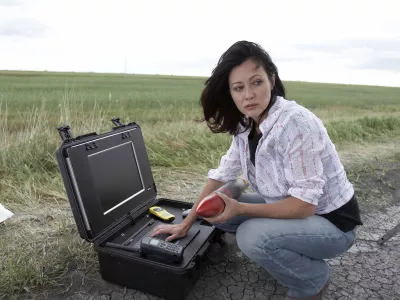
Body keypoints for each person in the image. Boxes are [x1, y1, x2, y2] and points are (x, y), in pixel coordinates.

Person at [151, 40, 363, 300]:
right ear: (231, 93)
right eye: (238, 88)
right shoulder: (245, 124)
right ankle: (284, 253)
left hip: (333, 223)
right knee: (218, 207)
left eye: (256, 82)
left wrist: (241, 209)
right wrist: (187, 222)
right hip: (290, 205)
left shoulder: (295, 124)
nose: (248, 95)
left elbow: (305, 205)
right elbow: (223, 174)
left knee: (251, 235)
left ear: (271, 81)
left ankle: (312, 281)